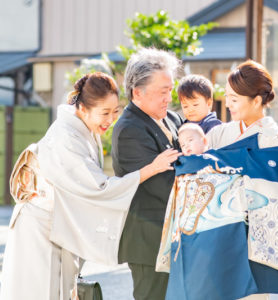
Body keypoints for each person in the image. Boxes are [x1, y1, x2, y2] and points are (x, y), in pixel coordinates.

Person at [0, 72, 180, 300]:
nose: (110, 120)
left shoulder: (82, 129)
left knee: (60, 292)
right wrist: (150, 169)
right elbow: (99, 189)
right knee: (41, 292)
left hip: (58, 224)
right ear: (83, 109)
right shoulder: (65, 137)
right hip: (40, 227)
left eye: (115, 111)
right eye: (104, 113)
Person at [207, 60, 278, 300]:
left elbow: (276, 194)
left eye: (234, 99)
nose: (227, 104)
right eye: (227, 97)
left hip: (251, 240)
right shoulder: (219, 133)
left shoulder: (275, 140)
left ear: (257, 100)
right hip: (218, 235)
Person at [111, 48, 184, 300]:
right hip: (149, 243)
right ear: (137, 92)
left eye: (170, 89)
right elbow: (162, 186)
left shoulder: (172, 118)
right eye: (163, 91)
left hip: (173, 239)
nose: (169, 97)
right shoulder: (130, 128)